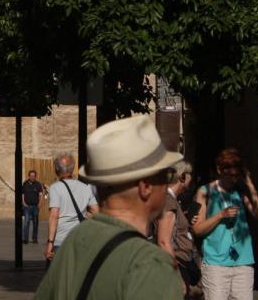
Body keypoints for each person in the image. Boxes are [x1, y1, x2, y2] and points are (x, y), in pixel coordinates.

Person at [35, 115, 185, 300]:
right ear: (145, 186)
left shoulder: (75, 239)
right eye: (166, 175)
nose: (168, 184)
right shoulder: (150, 263)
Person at [192, 147, 258, 300]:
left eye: (237, 175)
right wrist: (220, 215)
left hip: (243, 261)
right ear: (220, 170)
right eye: (230, 175)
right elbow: (197, 229)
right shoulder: (205, 191)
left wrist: (249, 183)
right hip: (216, 264)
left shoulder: (240, 190)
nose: (234, 179)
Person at [156, 160, 201, 297]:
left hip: (183, 262)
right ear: (182, 177)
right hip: (177, 263)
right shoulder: (169, 201)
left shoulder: (172, 201)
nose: (191, 178)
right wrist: (177, 276)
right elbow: (164, 241)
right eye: (190, 175)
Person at [46, 154, 99, 263]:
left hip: (61, 241)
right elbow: (96, 211)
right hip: (80, 239)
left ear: (56, 169)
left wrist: (50, 242)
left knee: (57, 278)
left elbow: (54, 216)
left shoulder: (55, 188)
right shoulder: (85, 187)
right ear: (72, 169)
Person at [22, 170, 44, 243]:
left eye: (33, 176)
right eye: (31, 175)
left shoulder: (38, 184)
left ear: (35, 176)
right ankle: (25, 239)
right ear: (29, 176)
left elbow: (41, 194)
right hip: (27, 206)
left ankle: (34, 238)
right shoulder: (25, 183)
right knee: (26, 222)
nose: (32, 177)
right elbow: (22, 194)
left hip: (35, 206)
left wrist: (40, 203)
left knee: (35, 223)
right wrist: (23, 202)